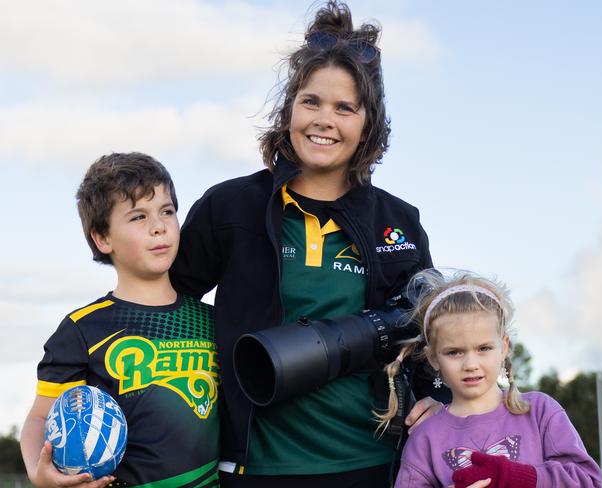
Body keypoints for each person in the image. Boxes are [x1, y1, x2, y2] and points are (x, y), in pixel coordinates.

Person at [170, 1, 445, 486]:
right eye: (311, 102)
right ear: (290, 109)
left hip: (370, 463)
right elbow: (167, 304)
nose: (325, 120)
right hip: (253, 465)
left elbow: (425, 333)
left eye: (345, 108)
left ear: (367, 125)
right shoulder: (229, 207)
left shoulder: (398, 221)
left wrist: (436, 400)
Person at [20, 153, 220, 488]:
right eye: (138, 217)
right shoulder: (82, 328)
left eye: (167, 211)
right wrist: (38, 474)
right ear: (103, 238)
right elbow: (41, 416)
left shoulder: (211, 320)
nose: (159, 226)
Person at [376, 269, 602, 488]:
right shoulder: (425, 437)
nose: (471, 364)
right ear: (433, 358)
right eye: (454, 352)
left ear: (503, 348)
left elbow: (590, 481)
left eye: (484, 348)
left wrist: (517, 477)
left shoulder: (540, 411)